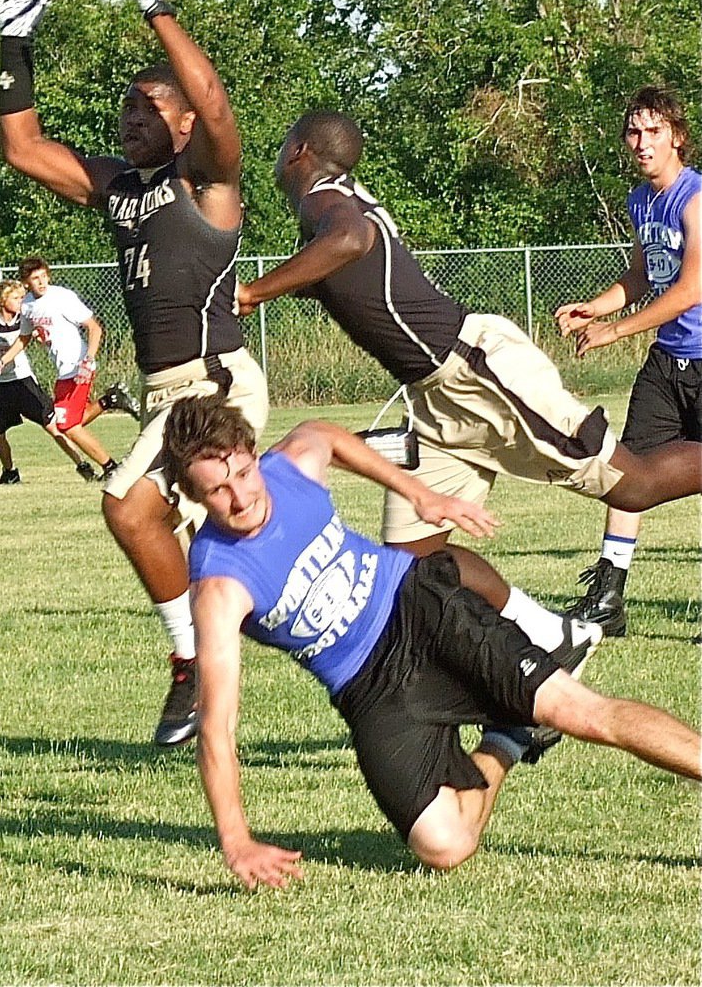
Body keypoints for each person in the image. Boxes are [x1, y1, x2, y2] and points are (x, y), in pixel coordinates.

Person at [162, 394, 701, 889]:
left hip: (418, 606)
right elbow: (217, 727)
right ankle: (510, 735)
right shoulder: (218, 585)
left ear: (253, 455)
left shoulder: (290, 467)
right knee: (445, 846)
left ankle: (538, 715)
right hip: (367, 687)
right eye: (218, 489)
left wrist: (420, 494)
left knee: (582, 713)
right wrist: (236, 842)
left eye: (242, 472)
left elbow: (324, 434)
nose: (241, 496)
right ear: (193, 497)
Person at [236, 110, 702, 607]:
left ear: (298, 152)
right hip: (434, 396)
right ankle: (546, 633)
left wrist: (252, 293)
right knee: (411, 564)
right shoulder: (337, 200)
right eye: (633, 130)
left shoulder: (321, 198)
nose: (641, 142)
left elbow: (348, 241)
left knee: (635, 487)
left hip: (474, 371)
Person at [0, 0, 269, 746]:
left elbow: (216, 105)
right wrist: (15, 40)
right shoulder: (121, 187)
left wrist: (154, 2)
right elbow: (22, 148)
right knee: (229, 545)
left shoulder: (204, 180)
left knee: (127, 504)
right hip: (165, 388)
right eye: (127, 107)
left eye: (150, 105)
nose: (133, 116)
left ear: (184, 123)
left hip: (210, 384)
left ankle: (191, 666)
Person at [555, 86, 700, 638]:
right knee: (627, 473)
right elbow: (643, 277)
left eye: (654, 131)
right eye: (634, 133)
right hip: (669, 361)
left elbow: (690, 289)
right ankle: (609, 597)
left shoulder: (694, 198)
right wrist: (596, 305)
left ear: (676, 138)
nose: (642, 143)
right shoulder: (641, 201)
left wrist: (613, 330)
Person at [0, 258, 138, 482]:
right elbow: (24, 338)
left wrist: (88, 360)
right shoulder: (28, 305)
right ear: (26, 282)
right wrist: (4, 360)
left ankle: (111, 467)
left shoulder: (62, 297)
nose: (41, 282)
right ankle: (110, 400)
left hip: (78, 367)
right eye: (35, 278)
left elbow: (94, 328)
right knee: (69, 421)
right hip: (63, 372)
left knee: (66, 424)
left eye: (43, 276)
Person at [0, 277, 114, 484]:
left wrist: (43, 338)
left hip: (23, 382)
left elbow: (37, 334)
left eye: (22, 297)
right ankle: (9, 472)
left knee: (54, 425)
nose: (21, 301)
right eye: (16, 297)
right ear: (3, 300)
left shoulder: (28, 316)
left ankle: (82, 464)